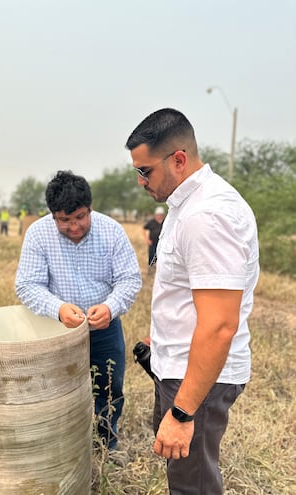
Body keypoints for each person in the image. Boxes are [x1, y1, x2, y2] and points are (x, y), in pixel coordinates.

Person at [125, 108, 259, 494]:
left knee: (193, 486)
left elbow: (219, 326)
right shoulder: (186, 206)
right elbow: (186, 294)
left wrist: (182, 413)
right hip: (180, 365)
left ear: (178, 159)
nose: (140, 182)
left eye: (145, 171)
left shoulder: (208, 215)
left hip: (198, 381)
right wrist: (161, 338)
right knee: (182, 474)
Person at [15, 170, 141, 450]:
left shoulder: (111, 231)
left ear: (90, 208)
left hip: (105, 328)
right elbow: (27, 285)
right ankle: (62, 446)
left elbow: (129, 279)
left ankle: (105, 445)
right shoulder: (38, 234)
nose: (74, 227)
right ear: (53, 215)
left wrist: (110, 307)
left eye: (80, 217)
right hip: (56, 329)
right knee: (55, 389)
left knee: (109, 388)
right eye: (64, 220)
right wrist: (58, 309)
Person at [143, 206, 165, 272]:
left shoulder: (165, 222)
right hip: (152, 243)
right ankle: (150, 269)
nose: (159, 216)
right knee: (152, 256)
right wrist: (146, 239)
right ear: (155, 215)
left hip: (162, 243)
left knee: (162, 257)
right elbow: (143, 229)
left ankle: (160, 270)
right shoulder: (151, 222)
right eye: (158, 215)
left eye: (161, 215)